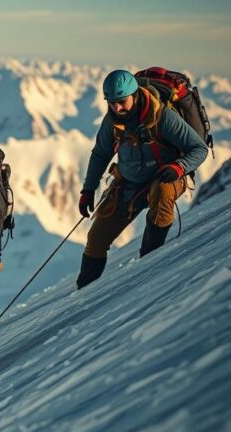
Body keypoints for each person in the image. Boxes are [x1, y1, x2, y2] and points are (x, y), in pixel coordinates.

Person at [76, 69, 208, 288]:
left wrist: (179, 167)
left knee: (162, 192)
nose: (117, 108)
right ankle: (83, 292)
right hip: (128, 183)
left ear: (134, 95)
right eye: (112, 103)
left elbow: (199, 148)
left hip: (167, 176)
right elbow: (100, 154)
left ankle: (148, 265)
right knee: (97, 239)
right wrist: (88, 190)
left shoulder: (162, 116)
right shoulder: (112, 122)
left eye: (122, 102)